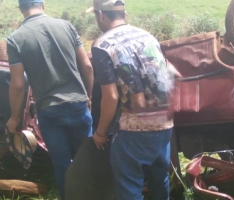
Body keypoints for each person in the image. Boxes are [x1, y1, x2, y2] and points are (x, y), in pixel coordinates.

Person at [87, 0, 175, 199]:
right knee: (160, 180)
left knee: (129, 187)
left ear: (101, 15)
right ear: (123, 13)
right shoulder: (148, 36)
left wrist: (100, 132)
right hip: (164, 123)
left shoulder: (102, 45)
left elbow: (110, 96)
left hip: (133, 130)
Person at [6, 0, 94, 199]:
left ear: (21, 9)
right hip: (78, 105)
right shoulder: (67, 26)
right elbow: (87, 67)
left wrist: (14, 117)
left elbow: (18, 84)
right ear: (42, 5)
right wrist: (88, 97)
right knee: (86, 161)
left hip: (49, 110)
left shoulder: (15, 39)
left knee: (62, 164)